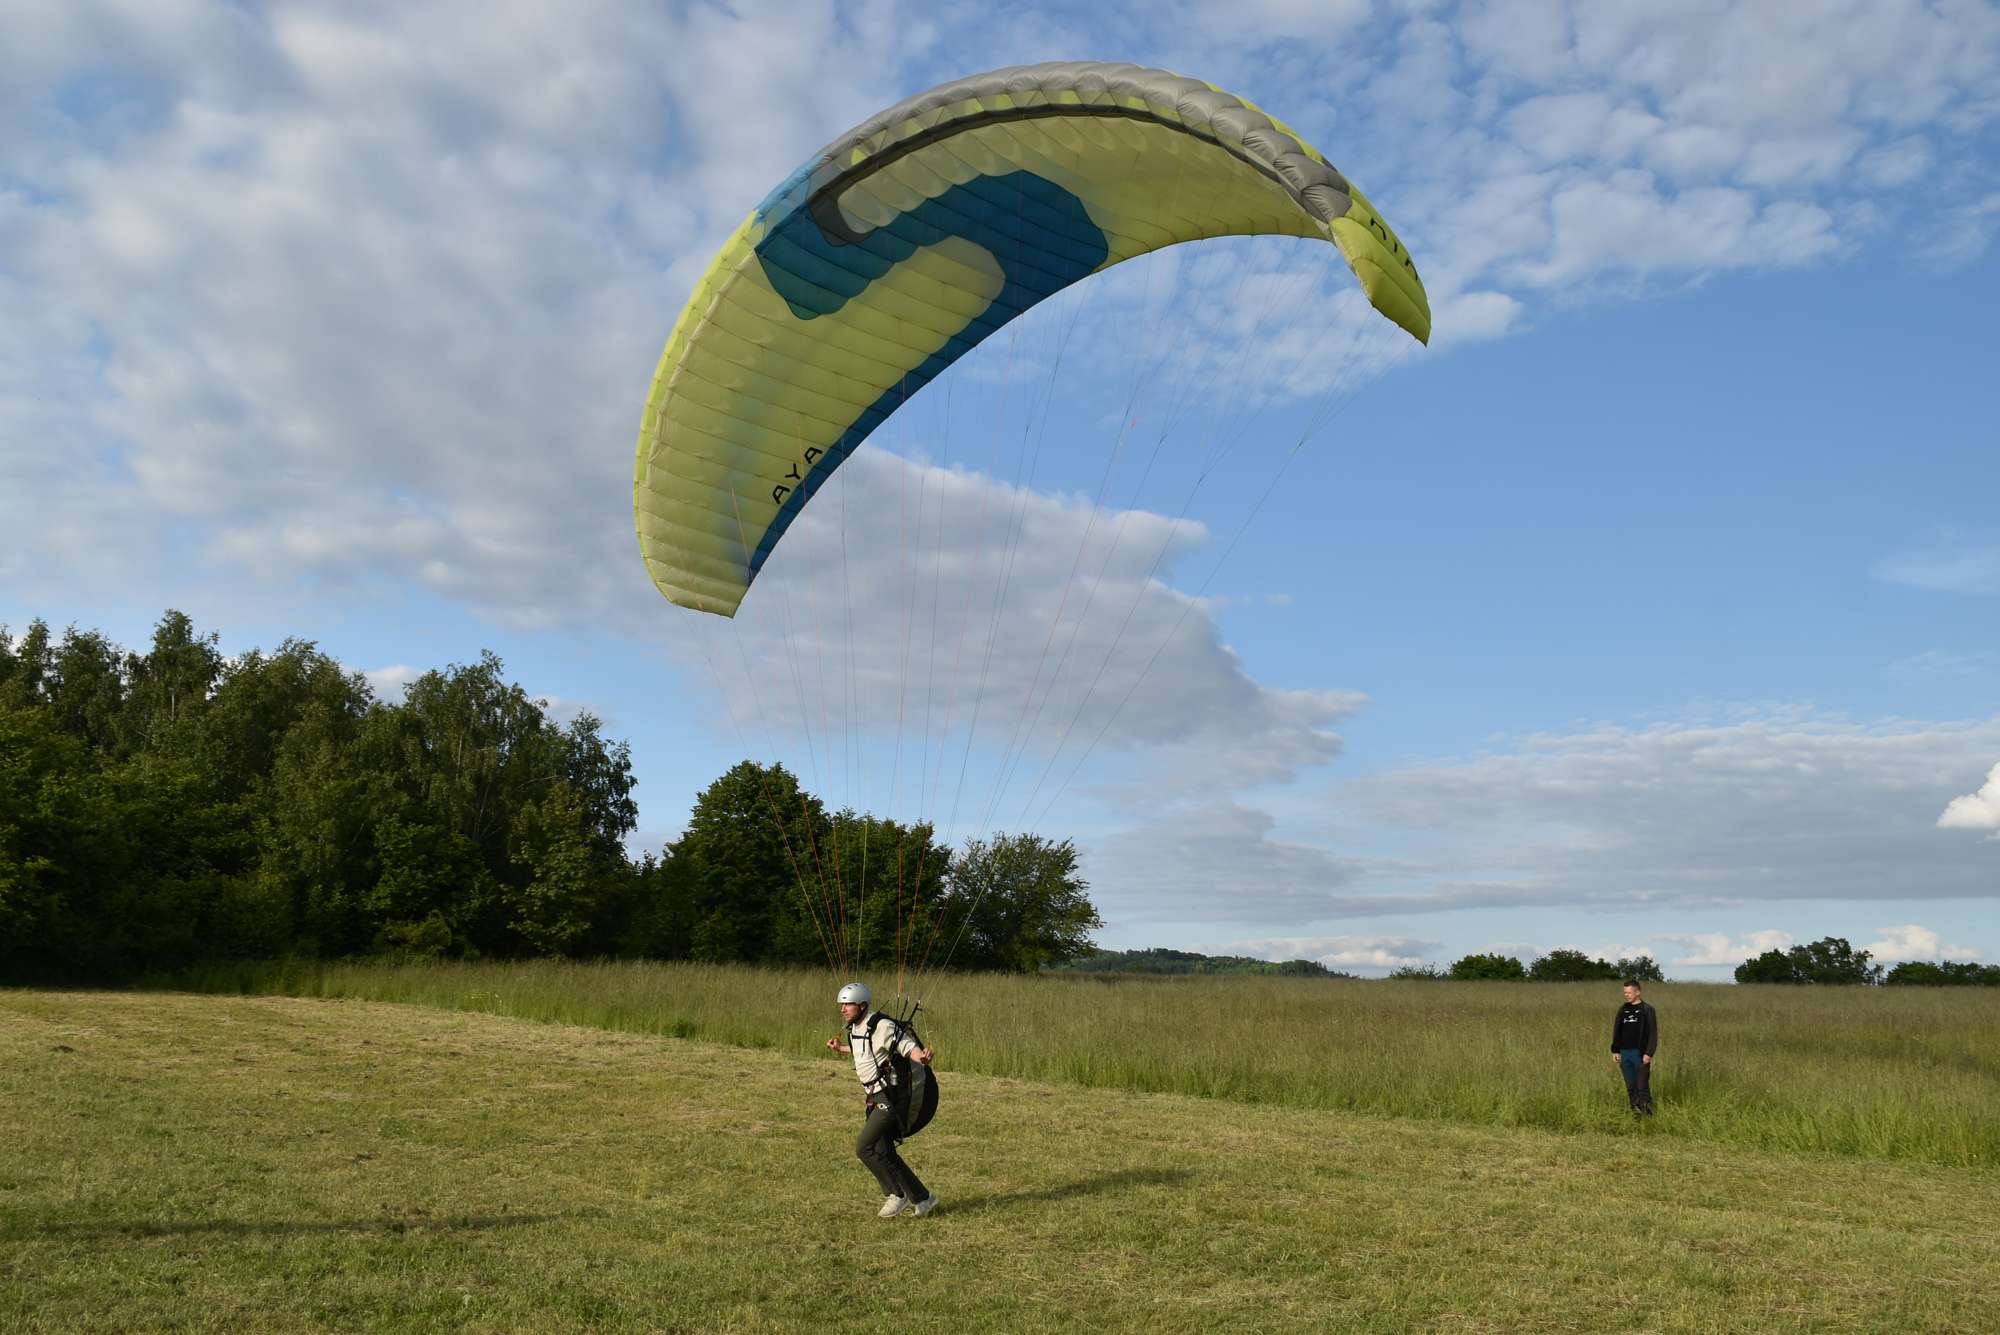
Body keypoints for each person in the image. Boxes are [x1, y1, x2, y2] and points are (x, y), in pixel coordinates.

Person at [825, 982, 939, 1218]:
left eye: (848, 1004)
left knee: (864, 1147)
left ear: (862, 1005)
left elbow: (907, 1046)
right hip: (873, 1097)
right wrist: (840, 1048)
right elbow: (864, 1050)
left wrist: (922, 1056)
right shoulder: (855, 1027)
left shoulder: (883, 1026)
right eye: (842, 1005)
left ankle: (896, 1194)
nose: (843, 1009)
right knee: (884, 1151)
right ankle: (924, 1198)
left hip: (888, 1098)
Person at [1609, 978, 1658, 1115]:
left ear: (1637, 992)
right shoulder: (1622, 1010)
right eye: (1625, 992)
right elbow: (1617, 1030)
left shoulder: (1647, 1010)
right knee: (1631, 1087)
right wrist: (1615, 1050)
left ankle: (1649, 1116)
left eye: (1629, 992)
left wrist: (1649, 1053)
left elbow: (1653, 1033)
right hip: (1625, 1053)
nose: (1626, 995)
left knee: (1642, 1086)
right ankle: (1636, 1115)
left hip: (1640, 1053)